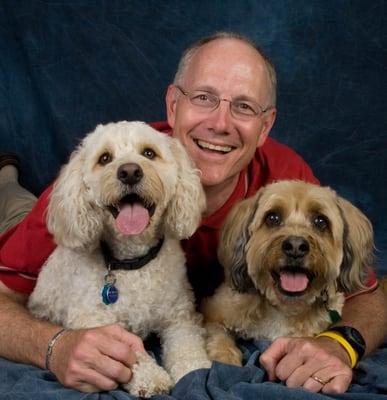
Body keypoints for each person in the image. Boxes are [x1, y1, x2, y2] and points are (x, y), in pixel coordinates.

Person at [0, 32, 386, 395]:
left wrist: (341, 344)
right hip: (33, 226)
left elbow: (370, 294)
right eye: (204, 97)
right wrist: (52, 346)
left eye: (244, 106)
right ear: (173, 105)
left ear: (265, 125)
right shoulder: (106, 176)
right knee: (16, 208)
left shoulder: (288, 186)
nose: (219, 124)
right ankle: (7, 180)